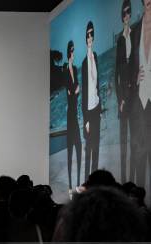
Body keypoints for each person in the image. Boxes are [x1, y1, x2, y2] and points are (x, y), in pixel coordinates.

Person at [130, 0, 151, 187]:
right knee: (139, 154)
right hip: (139, 102)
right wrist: (134, 77)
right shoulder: (135, 30)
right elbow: (128, 65)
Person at [115, 0, 134, 183]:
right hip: (123, 98)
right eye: (125, 12)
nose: (127, 15)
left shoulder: (134, 35)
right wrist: (120, 99)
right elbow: (116, 73)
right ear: (122, 16)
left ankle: (133, 181)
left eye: (129, 12)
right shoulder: (120, 39)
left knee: (135, 140)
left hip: (134, 95)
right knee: (123, 140)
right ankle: (122, 179)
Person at [82, 21, 102, 180]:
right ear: (85, 38)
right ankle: (88, 180)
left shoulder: (95, 57)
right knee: (89, 147)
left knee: (97, 146)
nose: (90, 37)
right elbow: (84, 95)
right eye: (88, 34)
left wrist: (100, 108)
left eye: (92, 34)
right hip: (89, 111)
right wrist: (86, 120)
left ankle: (94, 180)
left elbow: (96, 85)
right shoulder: (83, 63)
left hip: (96, 107)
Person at [66, 40, 83, 190]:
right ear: (67, 52)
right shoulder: (66, 69)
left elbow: (75, 90)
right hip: (70, 115)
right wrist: (74, 92)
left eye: (74, 50)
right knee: (71, 151)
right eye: (71, 50)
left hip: (75, 112)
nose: (73, 53)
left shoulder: (75, 69)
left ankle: (77, 184)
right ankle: (71, 186)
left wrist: (75, 93)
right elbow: (70, 92)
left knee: (78, 148)